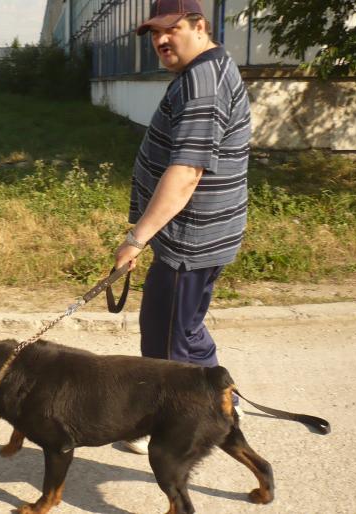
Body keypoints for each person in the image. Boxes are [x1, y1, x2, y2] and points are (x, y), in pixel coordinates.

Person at [113, 0, 251, 454]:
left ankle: (171, 432)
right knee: (186, 329)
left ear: (199, 25)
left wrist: (137, 238)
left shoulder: (203, 81)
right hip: (203, 233)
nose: (160, 41)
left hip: (189, 239)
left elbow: (187, 171)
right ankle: (221, 400)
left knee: (165, 339)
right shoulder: (207, 69)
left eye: (170, 31)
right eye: (154, 34)